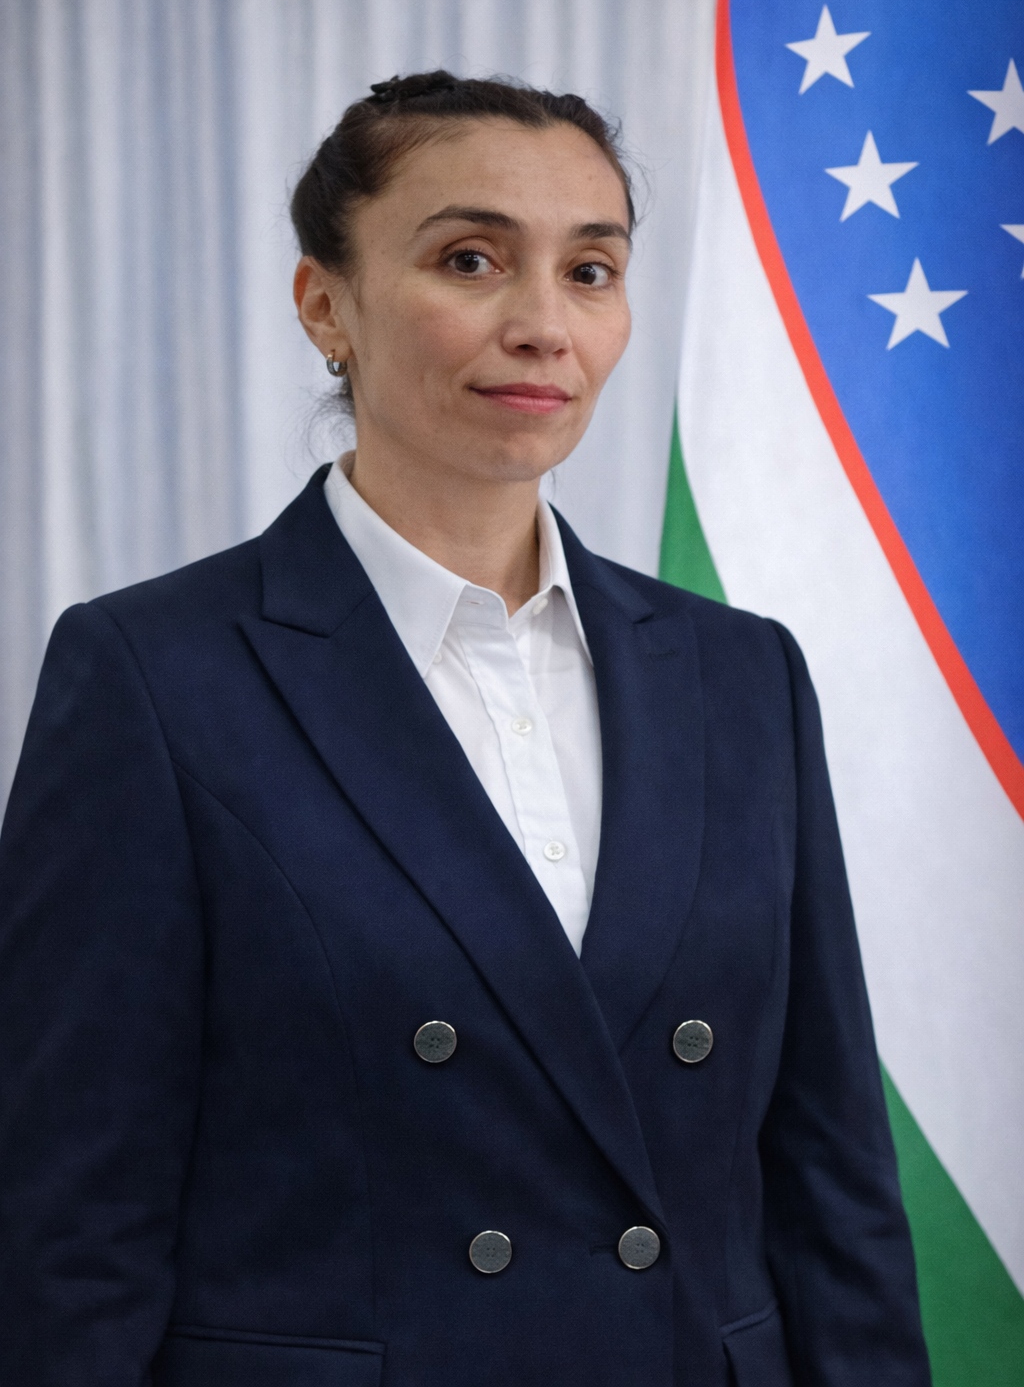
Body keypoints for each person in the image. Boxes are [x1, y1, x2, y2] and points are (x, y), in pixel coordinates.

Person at [0, 71, 931, 1387]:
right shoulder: (153, 676)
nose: (544, 326)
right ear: (325, 303)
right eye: (472, 260)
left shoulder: (742, 675)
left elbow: (831, 1175)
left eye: (591, 271)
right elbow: (70, 1225)